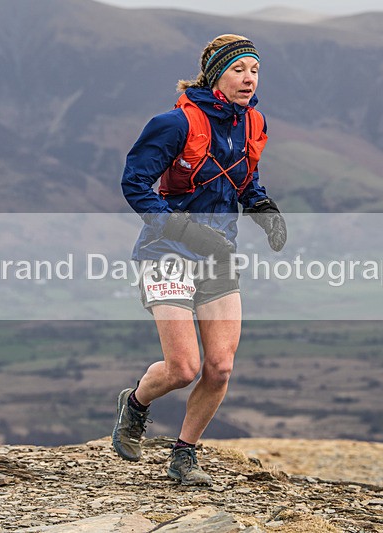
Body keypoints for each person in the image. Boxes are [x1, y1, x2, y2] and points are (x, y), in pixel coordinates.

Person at [115, 34, 286, 486]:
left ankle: (184, 455)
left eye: (254, 70)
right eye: (238, 70)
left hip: (219, 254)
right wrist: (183, 230)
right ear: (215, 74)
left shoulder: (253, 124)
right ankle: (135, 405)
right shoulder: (173, 124)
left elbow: (245, 180)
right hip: (167, 251)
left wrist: (264, 210)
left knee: (221, 366)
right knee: (183, 367)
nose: (248, 78)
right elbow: (135, 186)